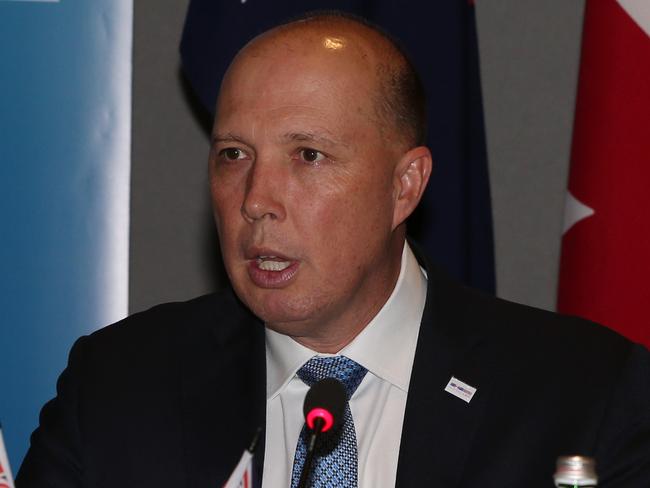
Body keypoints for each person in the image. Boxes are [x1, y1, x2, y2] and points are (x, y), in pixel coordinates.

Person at [17, 13, 650, 488]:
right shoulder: (118, 388)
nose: (256, 199)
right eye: (234, 155)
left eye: (308, 156)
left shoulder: (582, 397)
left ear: (404, 187)